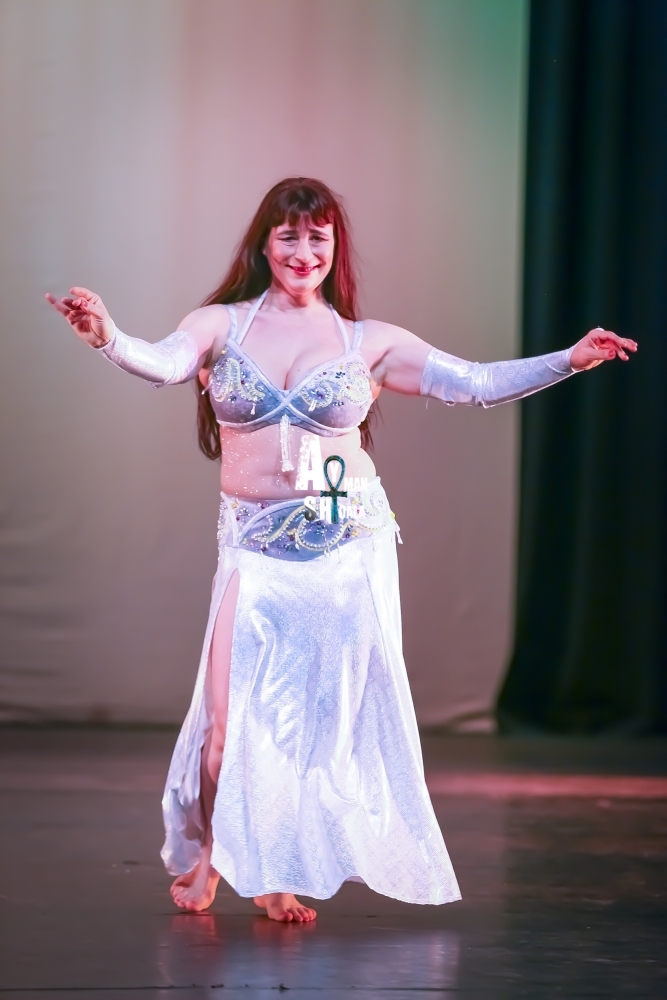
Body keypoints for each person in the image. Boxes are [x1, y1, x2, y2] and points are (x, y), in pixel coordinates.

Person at [46, 177, 637, 923]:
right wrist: (106, 334)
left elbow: (475, 383)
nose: (303, 252)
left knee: (316, 727)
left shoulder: (369, 342)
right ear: (265, 245)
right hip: (255, 548)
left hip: (347, 546)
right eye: (288, 237)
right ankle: (211, 853)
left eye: (317, 238)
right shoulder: (221, 324)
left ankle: (277, 874)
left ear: (335, 248)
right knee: (225, 728)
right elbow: (163, 363)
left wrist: (569, 360)